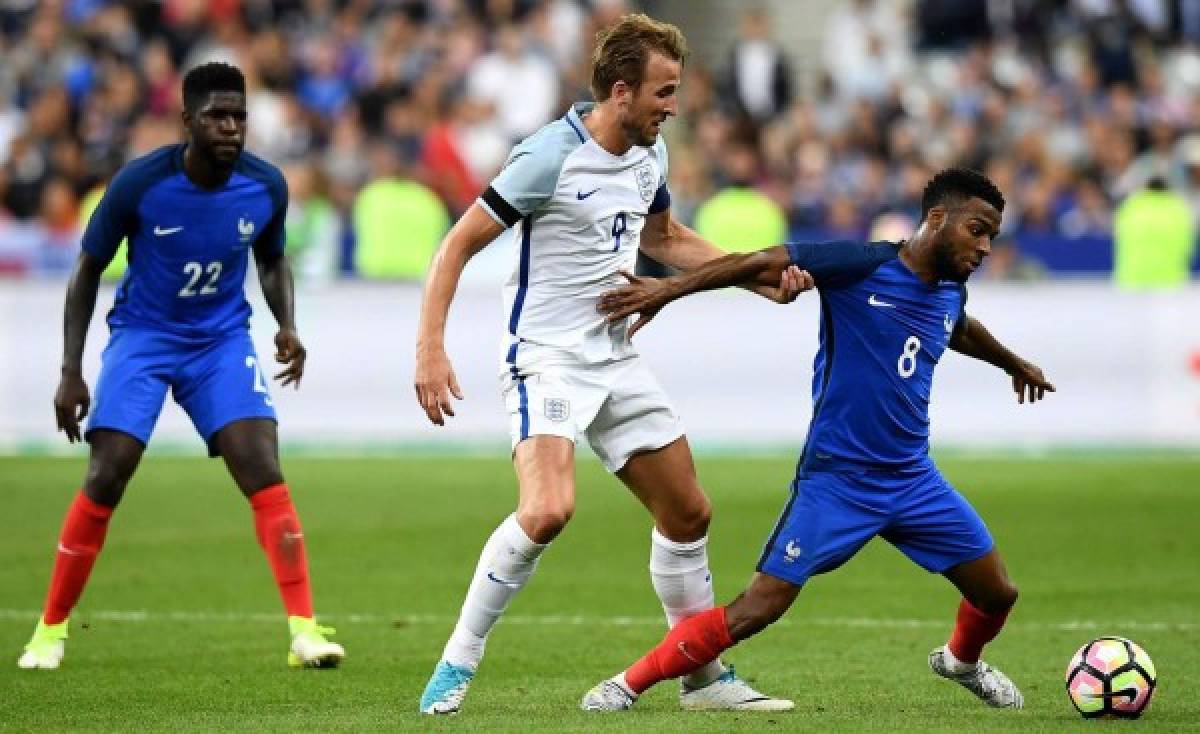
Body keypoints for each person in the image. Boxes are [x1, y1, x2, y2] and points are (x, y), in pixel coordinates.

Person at [413, 13, 806, 715]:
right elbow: (457, 245)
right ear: (620, 92)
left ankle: (701, 678)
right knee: (548, 510)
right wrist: (430, 348)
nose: (673, 106)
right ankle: (456, 661)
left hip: (616, 358)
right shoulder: (546, 157)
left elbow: (665, 237)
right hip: (547, 358)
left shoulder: (648, 155)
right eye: (663, 92)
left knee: (688, 511)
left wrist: (755, 277)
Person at [582, 168, 1055, 712]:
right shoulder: (862, 265)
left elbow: (959, 327)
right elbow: (759, 262)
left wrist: (1013, 363)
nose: (986, 246)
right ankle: (627, 684)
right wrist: (668, 287)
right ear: (937, 218)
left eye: (992, 235)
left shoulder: (949, 291)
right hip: (839, 480)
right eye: (977, 230)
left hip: (912, 480)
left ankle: (961, 661)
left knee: (998, 593)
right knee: (759, 607)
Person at [17, 62, 344, 671]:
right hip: (144, 336)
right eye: (217, 115)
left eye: (240, 115)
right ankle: (49, 630)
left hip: (220, 340)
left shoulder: (266, 185)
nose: (231, 127)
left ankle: (305, 631)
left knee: (261, 462)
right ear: (186, 120)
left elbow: (272, 260)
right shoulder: (139, 184)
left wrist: (287, 325)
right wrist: (70, 369)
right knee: (108, 470)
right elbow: (87, 269)